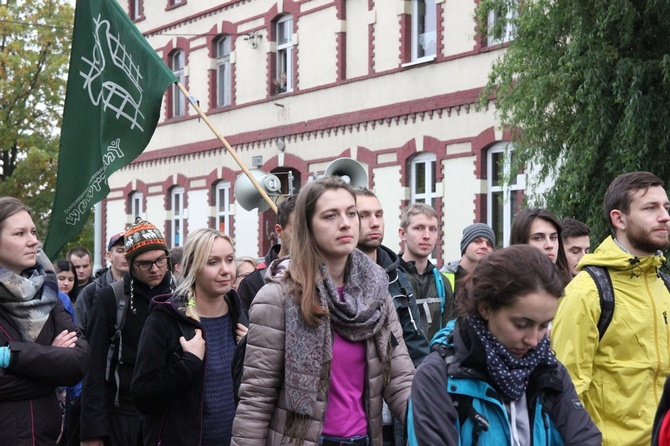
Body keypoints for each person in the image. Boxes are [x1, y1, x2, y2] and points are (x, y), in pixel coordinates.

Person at [231, 177, 415, 446]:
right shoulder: (277, 297)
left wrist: (438, 423)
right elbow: (256, 399)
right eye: (330, 216)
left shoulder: (376, 292)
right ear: (308, 227)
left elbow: (400, 380)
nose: (345, 223)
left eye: (351, 213)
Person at [407, 245, 602, 445]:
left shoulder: (550, 371)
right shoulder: (436, 378)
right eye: (521, 324)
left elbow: (584, 438)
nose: (534, 340)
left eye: (544, 326)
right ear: (485, 308)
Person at [552, 171, 670, 446]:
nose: (664, 216)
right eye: (651, 208)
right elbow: (566, 392)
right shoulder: (586, 292)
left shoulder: (664, 286)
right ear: (619, 219)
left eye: (666, 207)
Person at [132, 228, 248, 445]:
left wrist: (251, 352)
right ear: (193, 268)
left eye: (230, 260)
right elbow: (142, 397)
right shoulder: (166, 319)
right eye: (213, 262)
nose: (226, 270)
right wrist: (188, 365)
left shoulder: (239, 315)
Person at [0, 197, 89, 445]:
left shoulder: (47, 292)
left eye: (33, 231)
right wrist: (51, 364)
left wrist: (12, 357)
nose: (33, 241)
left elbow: (79, 362)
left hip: (45, 436)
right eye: (19, 233)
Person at [80, 219, 173, 446]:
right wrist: (93, 432)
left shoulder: (181, 295)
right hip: (123, 416)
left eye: (161, 260)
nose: (155, 269)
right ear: (131, 264)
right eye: (145, 263)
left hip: (170, 416)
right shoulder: (110, 298)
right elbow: (94, 368)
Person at [355, 187, 428, 446]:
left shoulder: (398, 277)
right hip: (352, 412)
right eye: (364, 215)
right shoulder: (334, 281)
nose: (374, 222)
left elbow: (415, 344)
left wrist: (426, 404)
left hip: (397, 406)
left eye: (379, 214)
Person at [399, 203, 454, 342]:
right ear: (402, 234)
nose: (427, 235)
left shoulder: (442, 282)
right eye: (419, 228)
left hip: (434, 360)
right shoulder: (391, 279)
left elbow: (448, 331)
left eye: (433, 229)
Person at [237, 195, 296, 312]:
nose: (305, 238)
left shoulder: (324, 275)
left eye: (309, 231)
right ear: (279, 231)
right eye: (298, 231)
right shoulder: (253, 282)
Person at [74, 231, 127, 335]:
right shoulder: (91, 292)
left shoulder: (141, 289)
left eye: (130, 250)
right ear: (109, 256)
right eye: (120, 251)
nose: (126, 255)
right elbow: (79, 331)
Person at [509, 208, 572, 284]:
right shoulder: (504, 289)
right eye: (538, 238)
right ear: (520, 243)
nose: (549, 245)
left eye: (553, 237)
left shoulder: (571, 289)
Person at [441, 222, 495, 295]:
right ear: (465, 245)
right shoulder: (442, 278)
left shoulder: (495, 279)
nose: (484, 246)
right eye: (477, 241)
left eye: (489, 244)